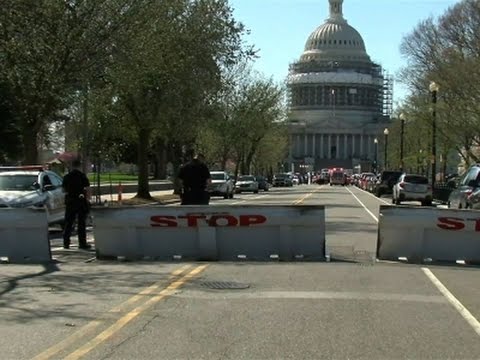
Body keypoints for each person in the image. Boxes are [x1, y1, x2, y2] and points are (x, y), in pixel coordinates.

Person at [62, 159, 92, 249]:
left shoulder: (67, 177)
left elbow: (63, 190)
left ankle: (66, 243)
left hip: (70, 201)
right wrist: (88, 199)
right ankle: (82, 243)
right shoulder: (82, 176)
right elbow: (88, 189)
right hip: (80, 201)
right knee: (81, 223)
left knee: (68, 223)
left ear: (71, 166)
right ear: (79, 166)